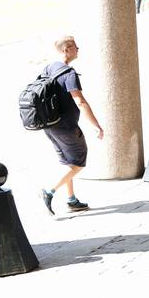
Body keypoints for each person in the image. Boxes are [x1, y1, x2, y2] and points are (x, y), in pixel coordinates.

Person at [37, 35, 104, 216]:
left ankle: (72, 200)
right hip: (66, 126)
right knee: (78, 162)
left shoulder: (49, 67)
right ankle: (49, 190)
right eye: (75, 47)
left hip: (49, 124)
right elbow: (80, 101)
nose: (78, 49)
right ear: (66, 50)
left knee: (67, 162)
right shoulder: (69, 74)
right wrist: (96, 125)